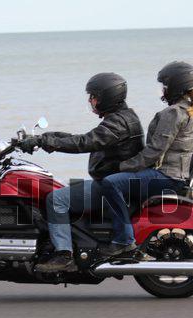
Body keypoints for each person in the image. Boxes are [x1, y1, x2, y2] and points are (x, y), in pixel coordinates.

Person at [18, 72, 144, 272]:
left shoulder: (118, 123)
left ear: (107, 97)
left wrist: (44, 141)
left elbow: (84, 142)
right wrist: (45, 138)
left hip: (110, 186)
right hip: (114, 183)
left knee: (56, 199)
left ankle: (63, 254)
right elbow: (85, 137)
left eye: (94, 96)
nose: (90, 100)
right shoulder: (122, 118)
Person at [100, 61, 193, 252]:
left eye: (165, 86)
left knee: (111, 183)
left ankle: (123, 239)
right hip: (175, 176)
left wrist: (122, 166)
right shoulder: (188, 110)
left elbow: (154, 151)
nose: (163, 90)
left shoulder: (173, 113)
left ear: (175, 86)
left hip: (166, 177)